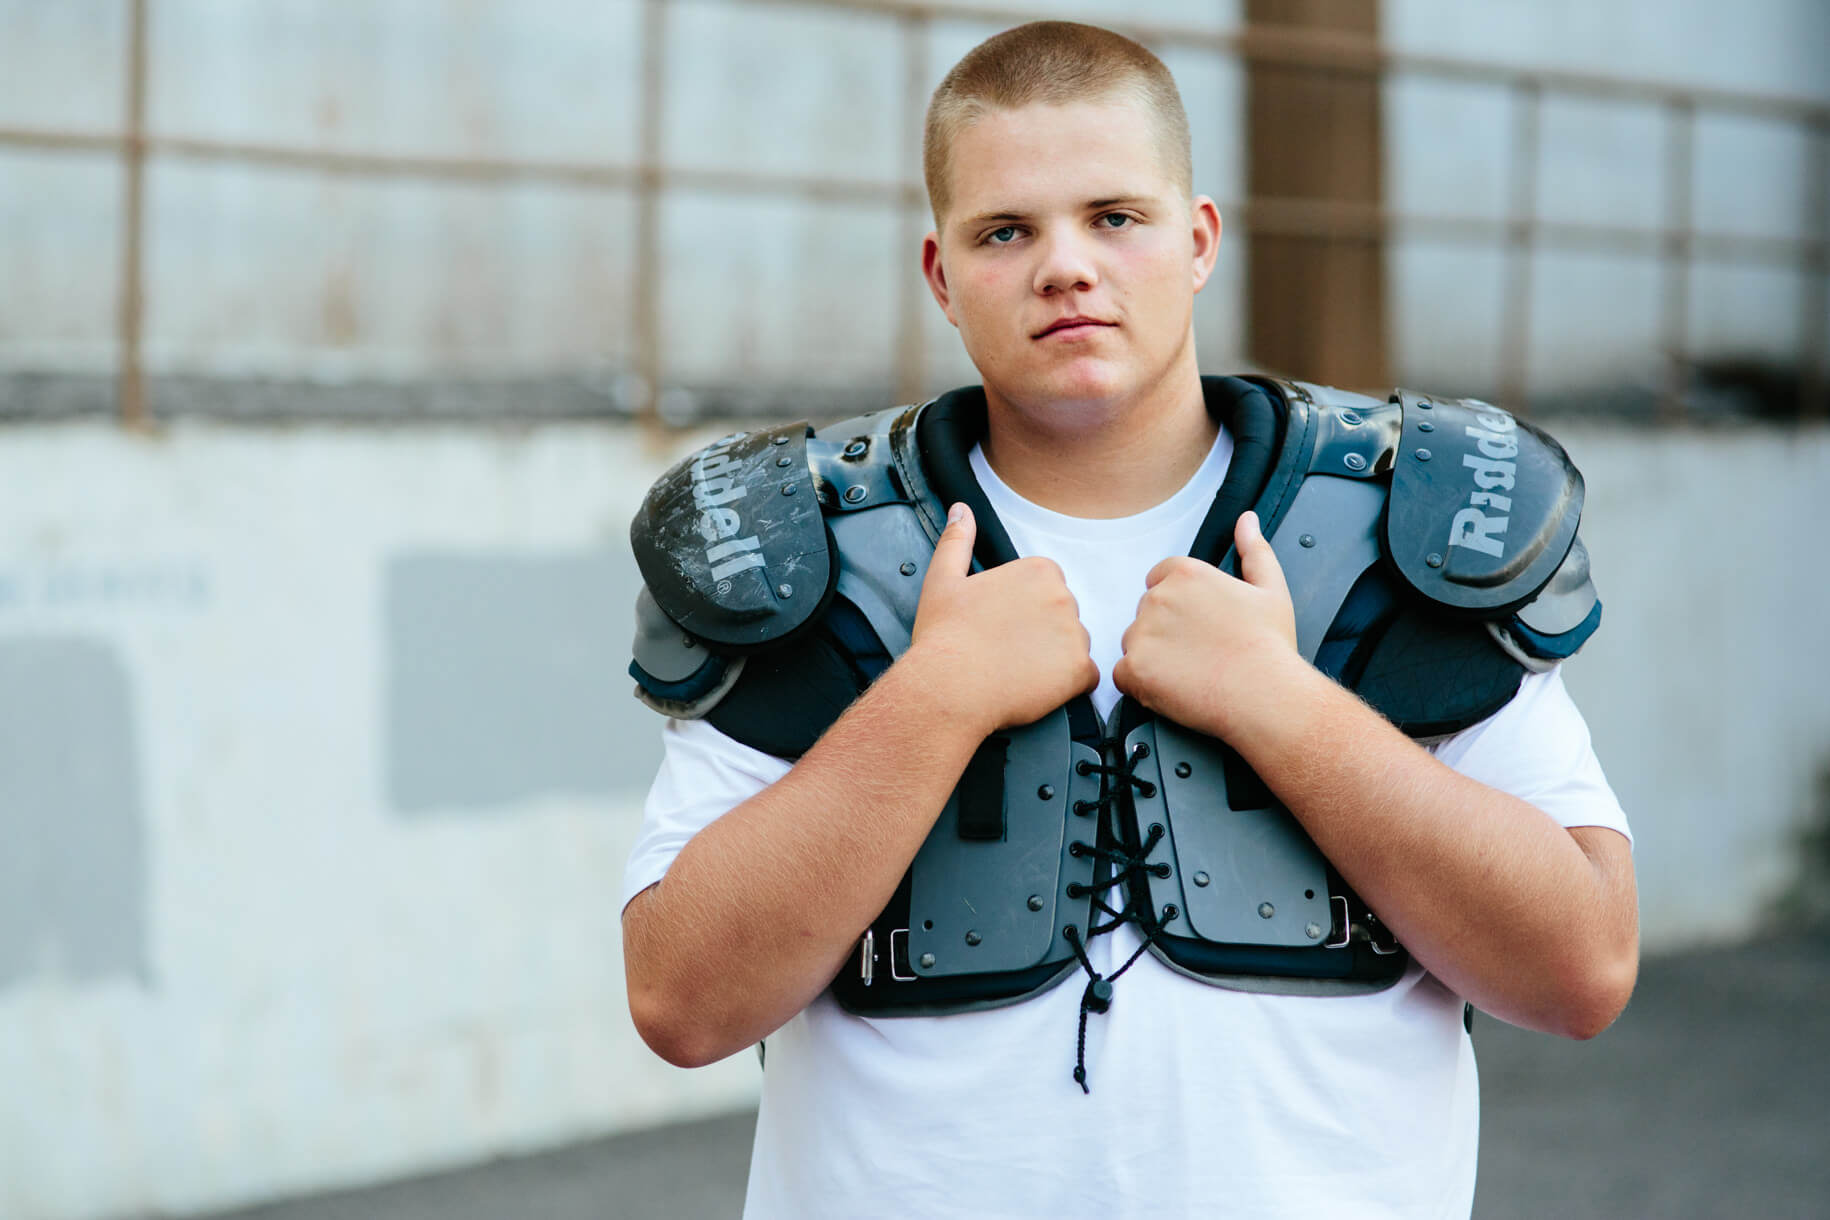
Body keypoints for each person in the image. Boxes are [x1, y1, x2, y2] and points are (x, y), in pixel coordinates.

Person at [621, 20, 1637, 1218]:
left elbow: (1583, 963)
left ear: (1198, 240)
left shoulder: (1396, 535)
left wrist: (1284, 704)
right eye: (1008, 230)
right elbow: (681, 1000)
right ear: (942, 274)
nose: (1065, 266)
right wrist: (936, 694)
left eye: (1115, 216)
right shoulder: (817, 554)